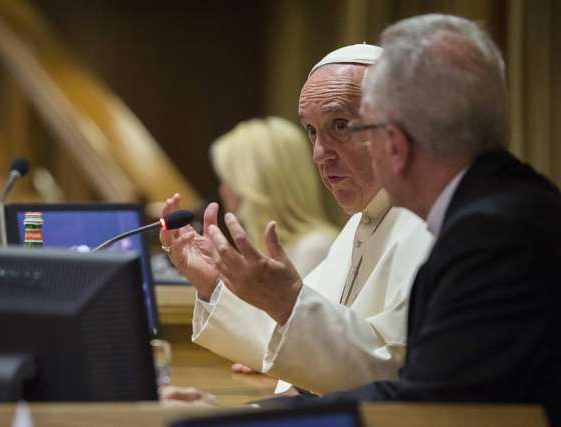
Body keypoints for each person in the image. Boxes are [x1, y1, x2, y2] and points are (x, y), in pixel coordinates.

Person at [207, 14, 561, 424]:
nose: (322, 154)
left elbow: (428, 404)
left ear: (394, 140)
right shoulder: (502, 202)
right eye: (311, 132)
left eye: (351, 126)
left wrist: (243, 419)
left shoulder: (491, 234)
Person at [160, 44, 434, 395]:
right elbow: (296, 344)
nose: (320, 153)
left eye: (340, 125)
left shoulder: (428, 228)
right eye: (311, 131)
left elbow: (389, 373)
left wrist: (286, 301)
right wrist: (214, 283)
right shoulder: (358, 225)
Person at [211, 117, 338, 278]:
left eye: (228, 179)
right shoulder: (263, 252)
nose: (222, 190)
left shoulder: (315, 249)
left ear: (254, 185)